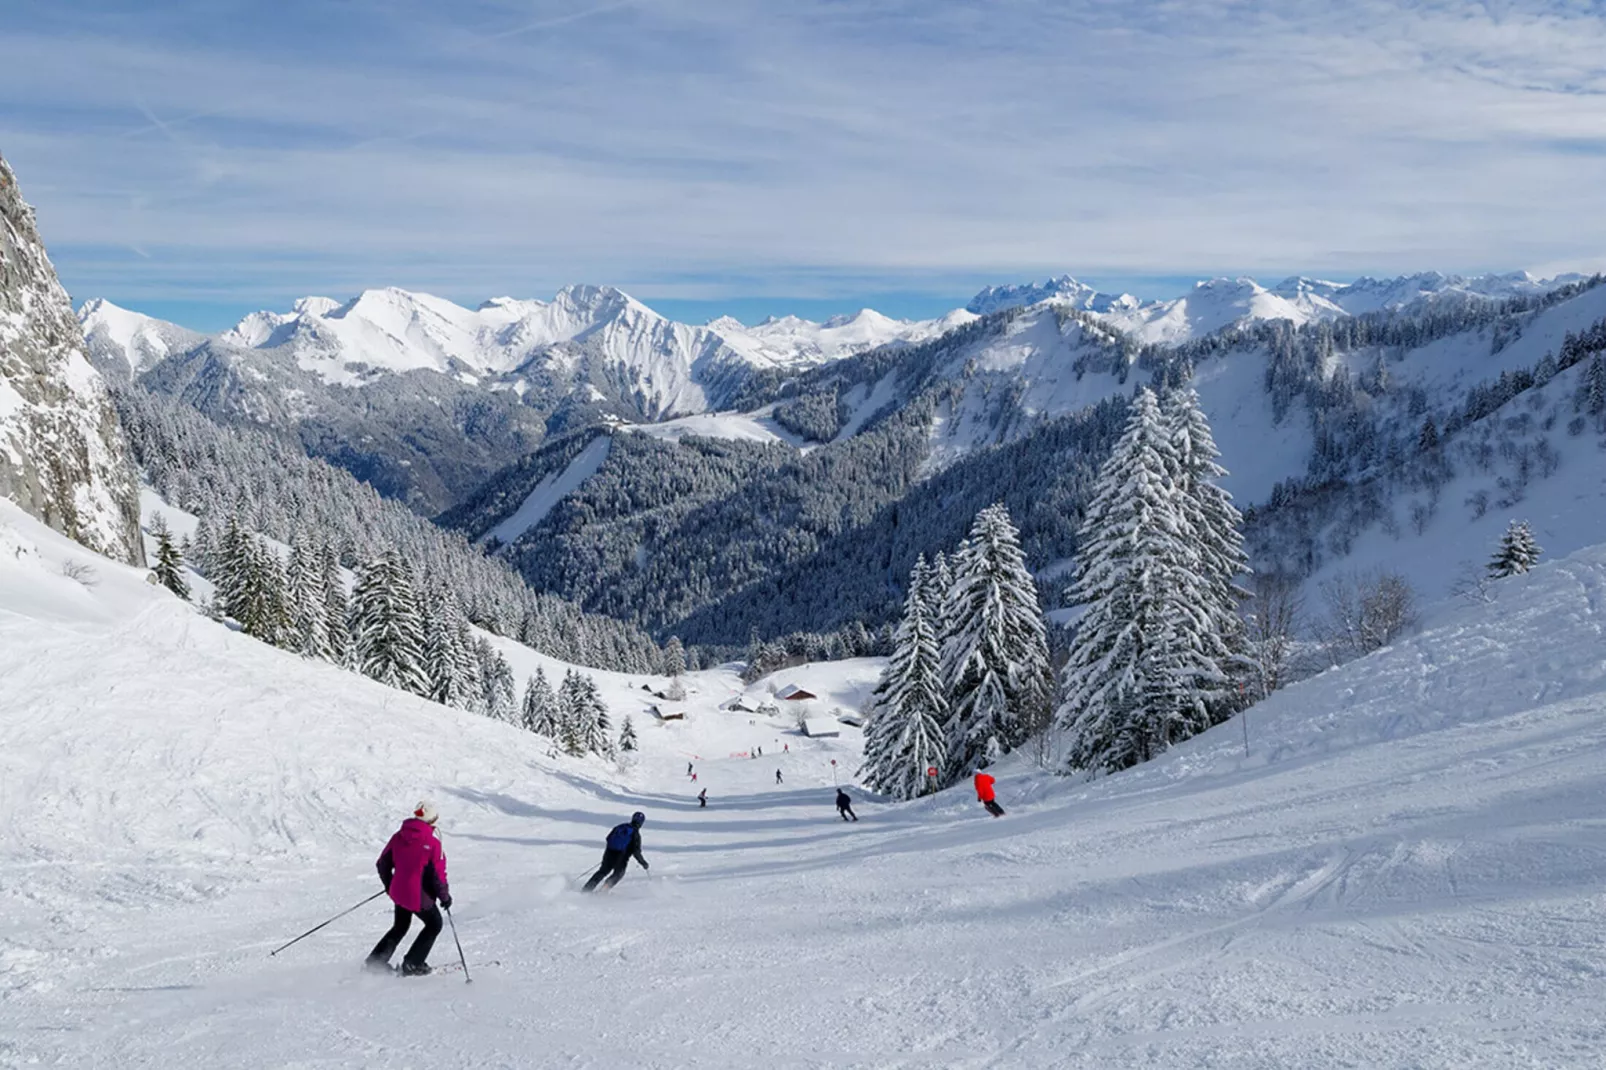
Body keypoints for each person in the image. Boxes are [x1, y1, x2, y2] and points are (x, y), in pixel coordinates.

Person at [366, 801, 452, 976]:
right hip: (417, 895)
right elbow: (438, 876)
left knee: (400, 925)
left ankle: (375, 962)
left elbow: (382, 864)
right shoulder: (433, 844)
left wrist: (390, 885)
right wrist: (445, 897)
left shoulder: (399, 836)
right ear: (433, 821)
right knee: (434, 924)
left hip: (398, 892)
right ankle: (413, 963)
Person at [582, 812, 649, 892]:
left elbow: (608, 838)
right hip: (621, 857)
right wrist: (643, 863)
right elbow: (636, 852)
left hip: (609, 853)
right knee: (618, 874)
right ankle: (603, 891)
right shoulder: (635, 834)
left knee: (603, 871)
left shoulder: (620, 827)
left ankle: (586, 889)